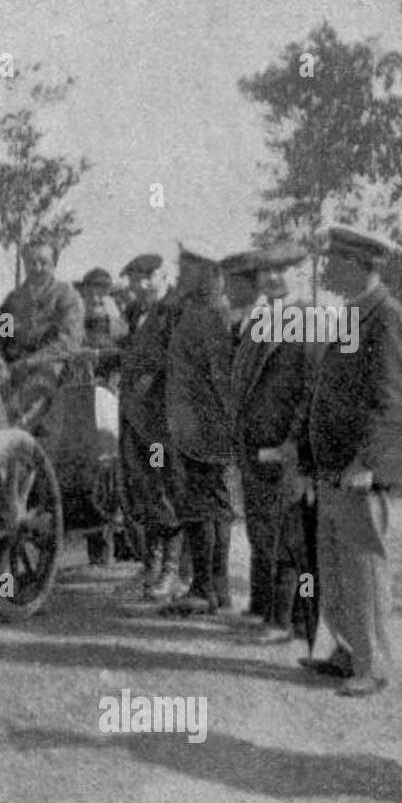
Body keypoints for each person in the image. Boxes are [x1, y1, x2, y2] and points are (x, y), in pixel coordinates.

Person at [301, 226, 402, 697]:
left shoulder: (385, 317)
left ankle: (373, 666)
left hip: (358, 472)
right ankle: (348, 651)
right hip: (334, 468)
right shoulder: (353, 315)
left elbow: (396, 402)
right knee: (335, 565)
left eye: (333, 262)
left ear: (356, 265)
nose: (326, 269)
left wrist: (367, 461)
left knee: (363, 569)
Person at [231, 242, 317, 643]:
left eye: (282, 270)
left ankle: (292, 620)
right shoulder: (257, 318)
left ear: (298, 273)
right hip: (253, 442)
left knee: (290, 533)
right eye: (266, 271)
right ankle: (267, 607)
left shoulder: (309, 317)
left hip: (285, 443)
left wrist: (294, 442)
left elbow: (311, 389)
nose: (273, 277)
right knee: (262, 528)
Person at [162, 244, 237, 615]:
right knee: (207, 504)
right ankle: (214, 590)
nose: (180, 274)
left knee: (207, 505)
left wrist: (223, 428)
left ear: (209, 272)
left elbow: (221, 379)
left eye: (186, 268)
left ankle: (207, 588)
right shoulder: (196, 310)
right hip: (192, 425)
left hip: (206, 427)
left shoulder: (212, 314)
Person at [120, 265, 183, 599]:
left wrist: (152, 375)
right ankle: (150, 565)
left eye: (147, 277)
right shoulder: (135, 313)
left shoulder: (174, 310)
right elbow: (132, 354)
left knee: (162, 489)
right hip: (134, 417)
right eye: (134, 280)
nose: (141, 284)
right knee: (142, 489)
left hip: (160, 421)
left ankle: (171, 571)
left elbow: (175, 356)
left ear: (163, 276)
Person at [0, 238, 86, 425]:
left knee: (26, 400)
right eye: (31, 262)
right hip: (13, 370)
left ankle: (14, 432)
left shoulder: (66, 297)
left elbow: (67, 342)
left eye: (43, 262)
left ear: (54, 264)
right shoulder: (15, 301)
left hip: (51, 369)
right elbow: (3, 336)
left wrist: (28, 363)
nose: (37, 268)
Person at [119, 253, 165, 339]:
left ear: (146, 283)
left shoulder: (172, 310)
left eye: (133, 281)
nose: (130, 287)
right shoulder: (133, 309)